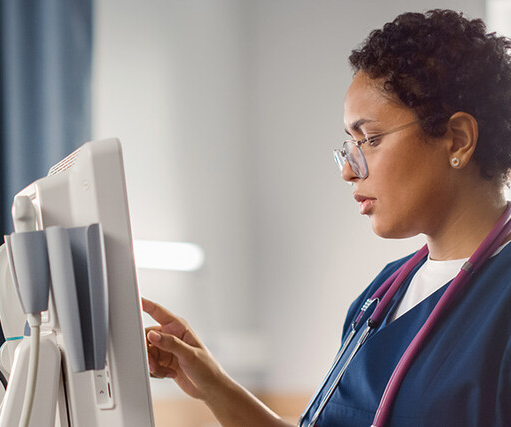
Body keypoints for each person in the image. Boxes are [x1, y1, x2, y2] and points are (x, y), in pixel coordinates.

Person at [143, 9, 511, 427]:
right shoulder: (381, 295)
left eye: (368, 139)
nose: (348, 170)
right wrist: (210, 382)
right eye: (349, 145)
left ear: (457, 140)